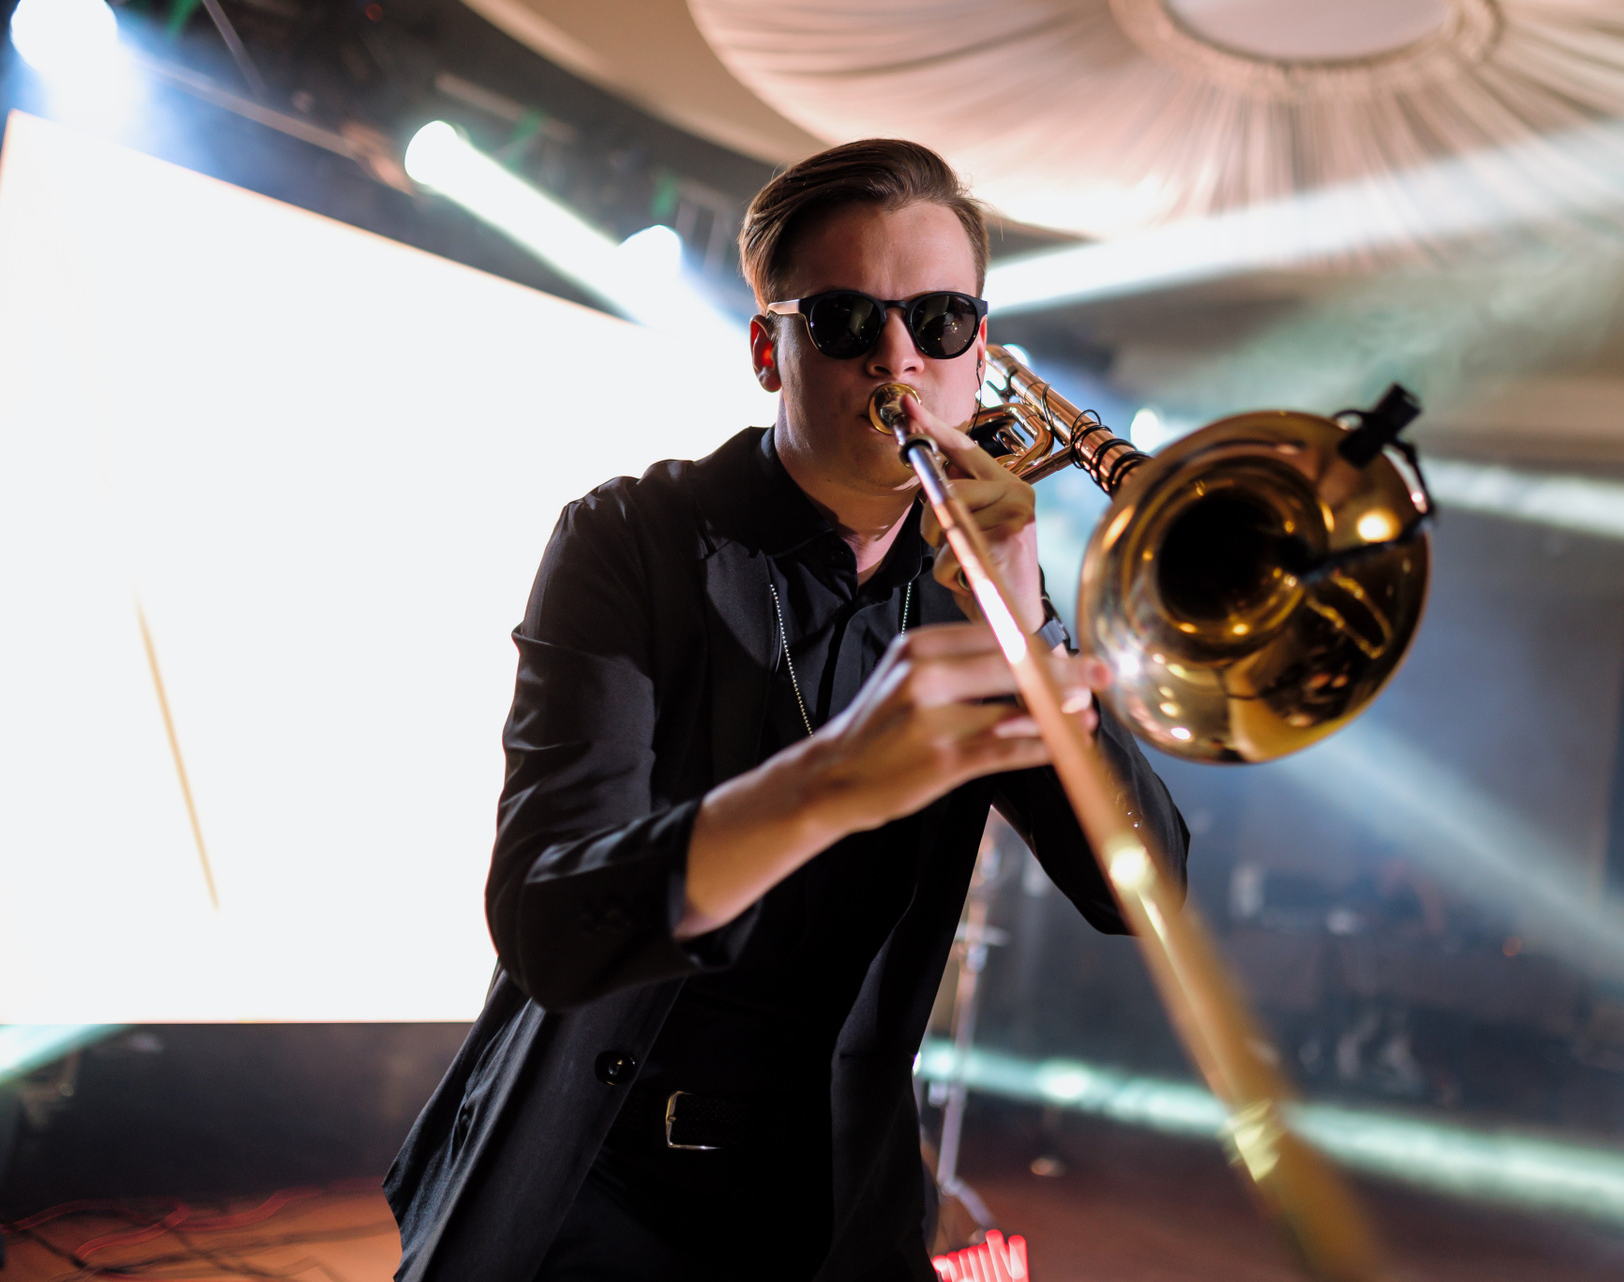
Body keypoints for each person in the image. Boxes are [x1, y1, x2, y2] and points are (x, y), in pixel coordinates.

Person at [383, 138, 1189, 1282]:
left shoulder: (983, 596)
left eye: (941, 321)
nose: (899, 359)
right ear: (771, 351)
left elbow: (1142, 891)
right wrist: (827, 783)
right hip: (597, 1183)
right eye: (848, 321)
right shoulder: (630, 540)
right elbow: (550, 921)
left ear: (979, 354)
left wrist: (1031, 632)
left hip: (836, 1209)